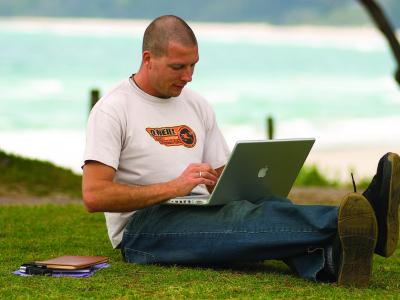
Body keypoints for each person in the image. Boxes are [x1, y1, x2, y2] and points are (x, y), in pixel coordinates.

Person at [82, 15, 400, 287]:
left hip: (194, 208)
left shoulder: (195, 104)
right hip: (142, 229)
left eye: (193, 66)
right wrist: (173, 188)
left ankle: (331, 262)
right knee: (245, 218)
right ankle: (365, 218)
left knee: (264, 204)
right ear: (148, 59)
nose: (188, 76)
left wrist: (231, 184)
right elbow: (95, 196)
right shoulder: (113, 110)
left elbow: (220, 174)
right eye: (178, 67)